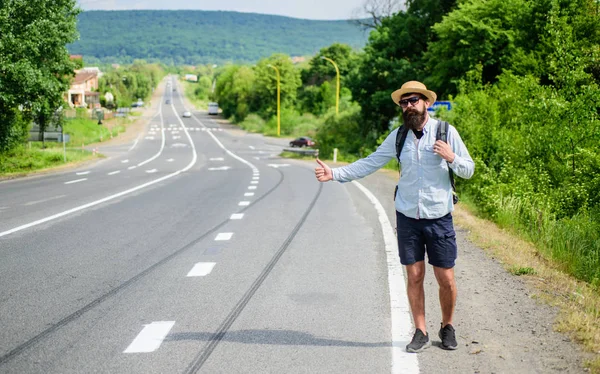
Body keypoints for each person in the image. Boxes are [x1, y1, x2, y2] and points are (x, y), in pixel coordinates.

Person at [314, 81, 474, 352]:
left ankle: (447, 326)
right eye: (404, 102)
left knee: (445, 277)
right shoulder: (399, 136)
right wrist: (336, 174)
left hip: (439, 216)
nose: (408, 106)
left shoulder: (446, 132)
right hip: (408, 216)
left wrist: (451, 157)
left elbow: (468, 169)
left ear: (427, 103)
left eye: (413, 100)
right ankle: (420, 331)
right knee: (414, 275)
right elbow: (371, 162)